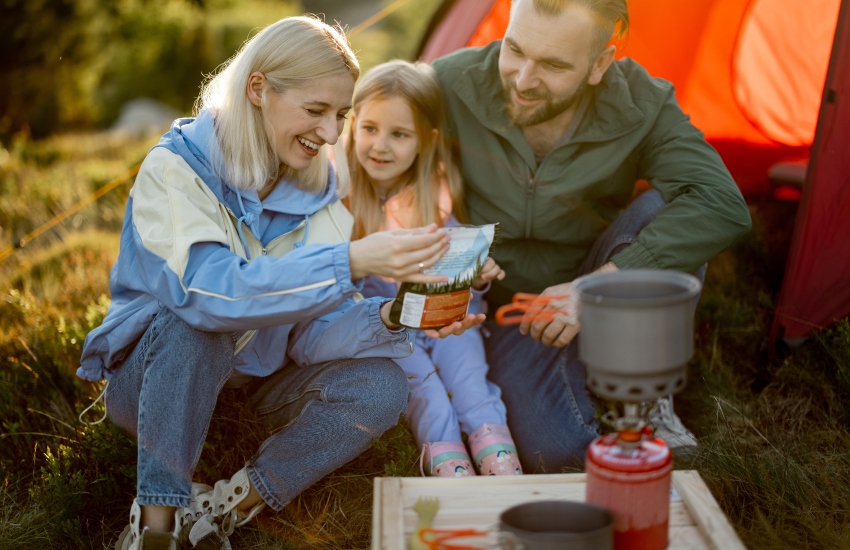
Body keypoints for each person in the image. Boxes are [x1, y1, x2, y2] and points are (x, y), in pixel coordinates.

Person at [77, 17, 484, 550]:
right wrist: (350, 261)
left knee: (383, 384)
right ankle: (158, 524)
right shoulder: (176, 171)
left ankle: (230, 504)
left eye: (341, 115)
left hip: (252, 391)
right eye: (315, 111)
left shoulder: (322, 198)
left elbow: (311, 333)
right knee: (198, 321)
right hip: (157, 387)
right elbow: (209, 294)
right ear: (259, 89)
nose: (331, 133)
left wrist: (390, 316)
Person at [431, 0, 752, 471]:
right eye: (515, 49)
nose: (522, 80)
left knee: (670, 207)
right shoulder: (451, 81)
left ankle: (643, 391)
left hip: (600, 279)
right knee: (558, 453)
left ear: (600, 62)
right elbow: (371, 151)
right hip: (510, 312)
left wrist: (598, 288)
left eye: (554, 65)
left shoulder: (642, 102)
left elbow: (722, 205)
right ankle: (596, 375)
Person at [344, 60, 523, 477]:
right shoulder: (344, 197)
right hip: (389, 329)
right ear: (352, 125)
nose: (380, 146)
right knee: (426, 391)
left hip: (446, 318)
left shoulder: (436, 190)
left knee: (470, 381)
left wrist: (475, 274)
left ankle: (499, 462)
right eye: (370, 129)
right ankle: (449, 466)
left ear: (426, 141)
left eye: (399, 134)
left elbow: (455, 261)